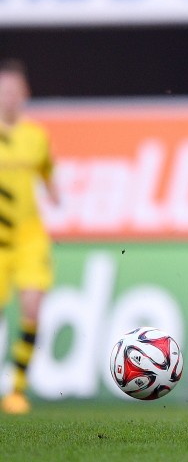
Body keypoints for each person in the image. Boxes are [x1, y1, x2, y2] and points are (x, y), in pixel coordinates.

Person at [0, 59, 59, 415]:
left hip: (28, 237)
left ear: (25, 95)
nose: (7, 98)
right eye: (2, 91)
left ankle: (17, 389)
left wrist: (54, 192)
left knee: (33, 309)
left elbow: (46, 169)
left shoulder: (36, 136)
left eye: (13, 91)